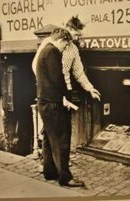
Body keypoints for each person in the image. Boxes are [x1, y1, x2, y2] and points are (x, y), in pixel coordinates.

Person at [36, 28, 84, 187]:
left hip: (44, 102)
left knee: (50, 139)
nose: (65, 48)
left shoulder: (43, 50)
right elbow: (58, 78)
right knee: (62, 140)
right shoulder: (53, 52)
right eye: (65, 45)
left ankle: (50, 172)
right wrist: (66, 96)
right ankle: (65, 177)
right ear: (62, 40)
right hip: (54, 104)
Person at [32, 15, 101, 101]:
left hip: (66, 90)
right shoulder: (49, 42)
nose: (77, 38)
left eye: (79, 35)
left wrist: (90, 88)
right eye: (76, 34)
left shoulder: (74, 49)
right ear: (69, 28)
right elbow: (36, 65)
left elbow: (79, 72)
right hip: (49, 94)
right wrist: (47, 87)